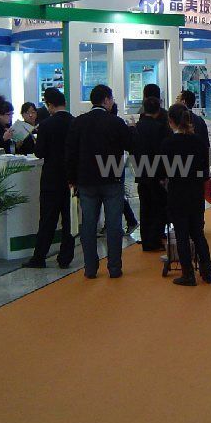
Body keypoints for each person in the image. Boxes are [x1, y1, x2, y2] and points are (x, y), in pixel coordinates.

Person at [66, 84, 132, 279]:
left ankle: (90, 268)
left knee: (88, 224)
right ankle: (114, 267)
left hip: (86, 180)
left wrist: (72, 178)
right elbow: (131, 144)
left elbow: (70, 152)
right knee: (114, 224)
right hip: (112, 178)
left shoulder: (78, 122)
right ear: (106, 100)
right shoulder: (115, 122)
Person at [159, 103, 211, 286]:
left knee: (182, 234)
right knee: (198, 233)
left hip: (177, 192)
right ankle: (207, 271)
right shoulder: (198, 141)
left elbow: (163, 171)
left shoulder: (168, 144)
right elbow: (205, 167)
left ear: (171, 121)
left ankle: (188, 274)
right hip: (195, 192)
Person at [23, 88, 75, 269]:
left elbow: (39, 152)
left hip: (51, 178)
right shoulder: (75, 122)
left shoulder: (46, 125)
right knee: (69, 220)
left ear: (49, 105)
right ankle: (65, 258)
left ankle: (39, 257)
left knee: (47, 219)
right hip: (71, 178)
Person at [131, 96, 172, 252]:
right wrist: (164, 174)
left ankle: (146, 240)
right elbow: (164, 152)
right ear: (158, 110)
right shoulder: (161, 128)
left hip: (141, 172)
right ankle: (155, 239)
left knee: (145, 208)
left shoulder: (136, 128)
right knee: (159, 207)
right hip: (157, 174)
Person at [108, 102, 139, 236]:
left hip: (111, 165)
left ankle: (127, 221)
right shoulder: (118, 124)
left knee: (116, 195)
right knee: (117, 194)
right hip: (116, 163)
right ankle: (128, 221)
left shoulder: (111, 125)